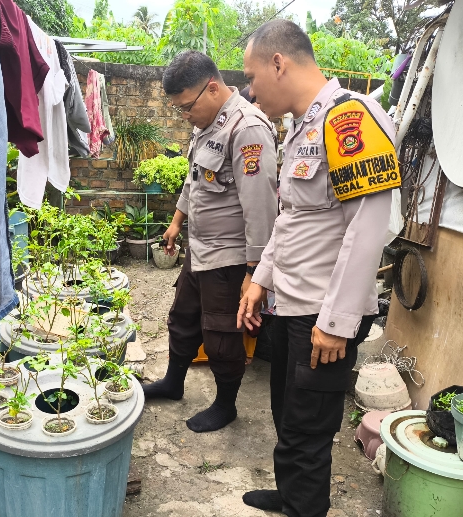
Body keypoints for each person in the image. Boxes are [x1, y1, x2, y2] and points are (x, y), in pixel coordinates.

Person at [238, 20, 399, 517]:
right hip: (290, 305)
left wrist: (336, 324)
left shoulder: (349, 119)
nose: (250, 88)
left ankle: (304, 507)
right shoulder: (301, 126)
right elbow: (292, 219)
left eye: (251, 75)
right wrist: (260, 279)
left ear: (278, 63)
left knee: (309, 427)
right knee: (287, 414)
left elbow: (368, 228)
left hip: (321, 316)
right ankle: (292, 497)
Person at [143, 50, 279, 433]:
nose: (183, 116)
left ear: (213, 88)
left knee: (221, 334)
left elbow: (262, 210)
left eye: (185, 107)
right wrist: (175, 223)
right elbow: (194, 181)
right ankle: (173, 383)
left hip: (230, 257)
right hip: (199, 249)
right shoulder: (205, 124)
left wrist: (255, 273)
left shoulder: (247, 128)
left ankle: (225, 404)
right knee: (183, 317)